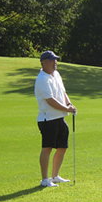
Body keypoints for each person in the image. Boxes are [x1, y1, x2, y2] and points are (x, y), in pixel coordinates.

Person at [34, 50, 77, 187]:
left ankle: (55, 176)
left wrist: (69, 104)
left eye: (55, 60)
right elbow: (50, 100)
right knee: (47, 148)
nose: (55, 63)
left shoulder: (56, 75)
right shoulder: (42, 79)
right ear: (43, 63)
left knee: (62, 147)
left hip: (60, 118)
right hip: (48, 119)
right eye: (52, 60)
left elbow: (63, 93)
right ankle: (45, 179)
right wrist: (67, 109)